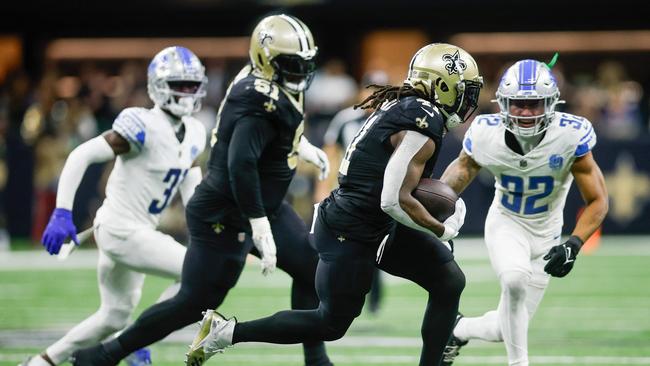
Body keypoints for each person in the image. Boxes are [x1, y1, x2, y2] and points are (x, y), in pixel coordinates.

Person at [187, 43, 484, 366]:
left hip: (376, 222)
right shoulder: (422, 120)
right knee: (330, 323)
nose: (466, 100)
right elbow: (393, 200)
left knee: (448, 279)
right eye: (463, 90)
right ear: (441, 86)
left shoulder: (412, 108)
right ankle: (226, 332)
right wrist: (440, 228)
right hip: (351, 228)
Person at [71, 14, 333, 366]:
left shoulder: (274, 86)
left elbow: (273, 137)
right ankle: (105, 353)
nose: (299, 73)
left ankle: (317, 361)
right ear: (264, 59)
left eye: (304, 64)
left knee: (310, 269)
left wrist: (299, 146)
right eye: (290, 64)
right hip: (224, 210)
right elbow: (241, 165)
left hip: (261, 203)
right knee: (194, 302)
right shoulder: (256, 99)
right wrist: (259, 226)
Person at [22, 46, 209, 366]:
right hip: (121, 229)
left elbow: (191, 185)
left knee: (112, 316)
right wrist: (62, 210)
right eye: (181, 84)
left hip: (135, 233)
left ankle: (42, 362)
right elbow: (81, 155)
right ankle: (137, 339)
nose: (189, 92)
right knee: (199, 274)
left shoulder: (194, 130)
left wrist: (203, 230)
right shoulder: (141, 123)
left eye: (193, 85)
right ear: (159, 86)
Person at [439, 59, 609, 366]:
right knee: (515, 279)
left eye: (535, 104)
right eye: (519, 104)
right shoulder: (485, 132)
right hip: (507, 223)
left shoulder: (571, 135)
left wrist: (574, 243)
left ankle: (456, 328)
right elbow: (458, 175)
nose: (527, 112)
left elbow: (598, 199)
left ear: (551, 103)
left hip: (547, 234)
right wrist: (431, 212)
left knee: (503, 329)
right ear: (503, 103)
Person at [315, 70, 390, 315]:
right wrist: (323, 188)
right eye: (370, 89)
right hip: (344, 198)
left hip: (377, 198)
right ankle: (330, 298)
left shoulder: (392, 119)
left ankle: (373, 299)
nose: (374, 95)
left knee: (376, 251)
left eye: (379, 90)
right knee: (336, 250)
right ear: (360, 90)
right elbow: (330, 154)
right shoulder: (345, 119)